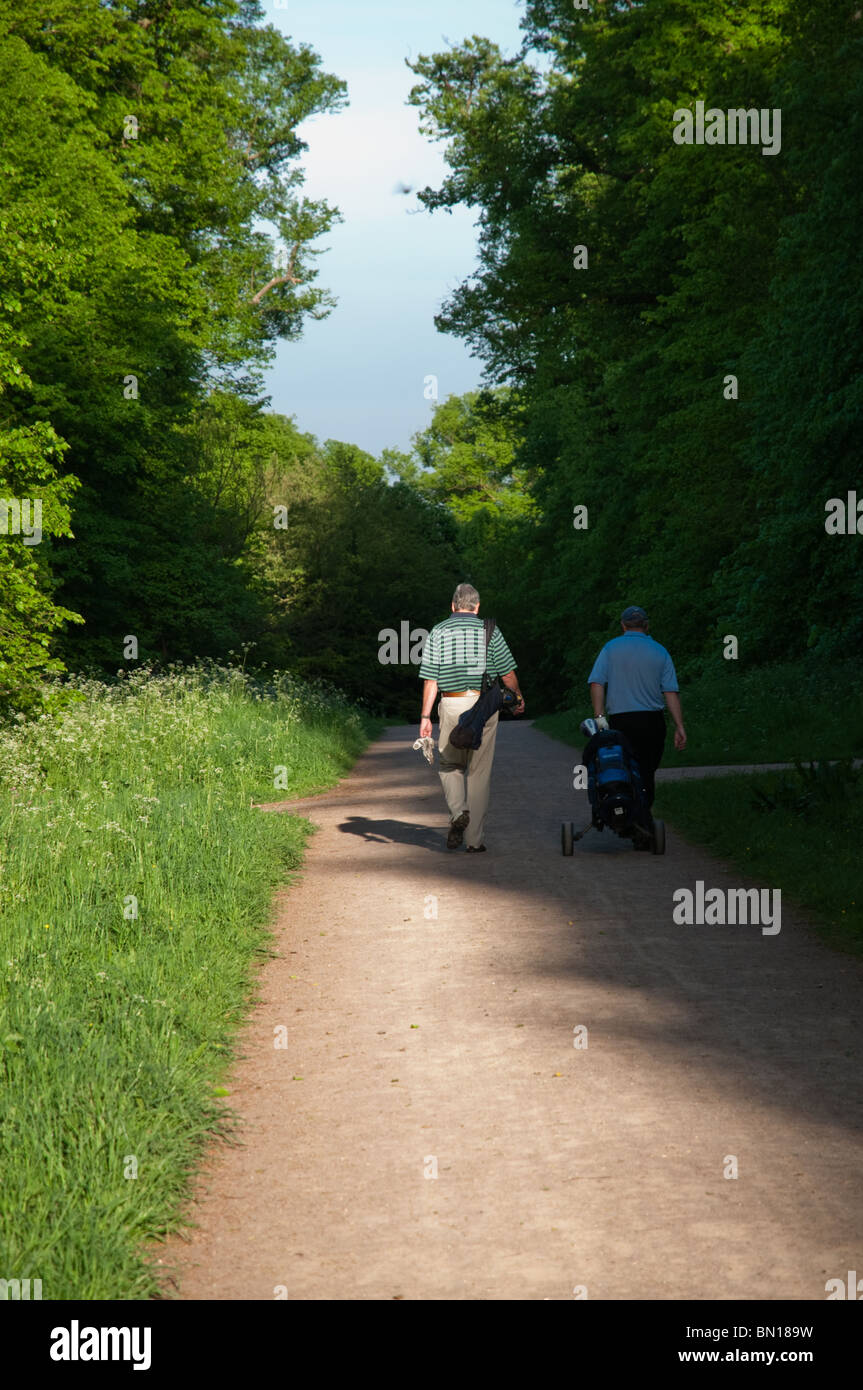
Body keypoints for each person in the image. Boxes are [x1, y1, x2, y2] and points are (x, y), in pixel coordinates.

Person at [419, 583, 524, 852]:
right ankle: (475, 841)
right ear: (477, 607)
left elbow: (431, 679)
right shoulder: (489, 630)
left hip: (452, 703)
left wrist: (425, 716)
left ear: (453, 606)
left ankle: (457, 813)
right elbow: (508, 674)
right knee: (479, 773)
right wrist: (518, 697)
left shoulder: (439, 631)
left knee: (449, 764)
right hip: (485, 706)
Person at [587, 606, 686, 836]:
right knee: (646, 771)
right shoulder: (660, 651)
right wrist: (679, 726)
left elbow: (596, 683)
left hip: (622, 722)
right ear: (646, 625)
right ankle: (641, 818)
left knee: (621, 768)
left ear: (623, 625)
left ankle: (623, 814)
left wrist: (600, 718)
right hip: (652, 722)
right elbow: (670, 692)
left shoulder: (610, 649)